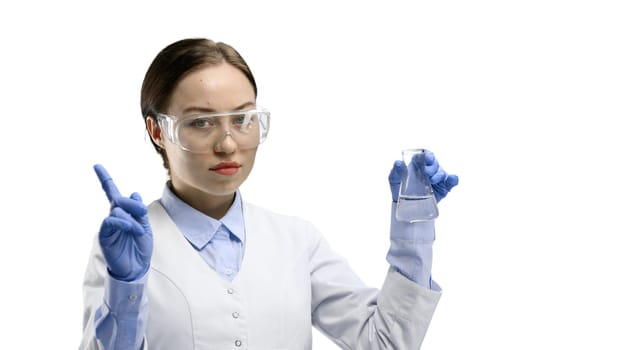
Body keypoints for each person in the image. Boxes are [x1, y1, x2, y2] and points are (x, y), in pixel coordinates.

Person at [79, 37, 459, 350]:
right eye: (201, 122)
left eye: (243, 118)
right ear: (158, 131)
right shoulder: (126, 250)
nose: (228, 144)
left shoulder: (296, 240)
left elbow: (387, 342)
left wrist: (414, 230)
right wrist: (125, 288)